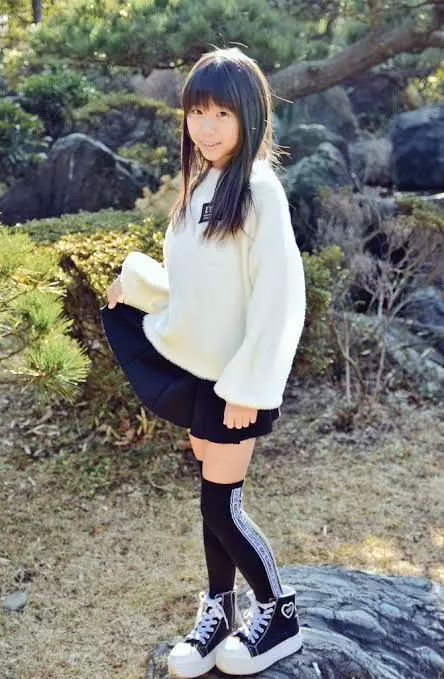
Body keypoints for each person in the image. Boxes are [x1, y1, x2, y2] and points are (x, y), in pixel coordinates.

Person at [102, 46, 307, 678]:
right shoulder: (201, 185)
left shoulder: (259, 190)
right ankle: (220, 608)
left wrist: (250, 386)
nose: (207, 127)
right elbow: (200, 289)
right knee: (210, 499)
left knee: (223, 506)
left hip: (236, 380)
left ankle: (279, 613)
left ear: (250, 116)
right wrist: (137, 285)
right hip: (203, 373)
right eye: (197, 112)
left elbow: (279, 295)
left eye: (222, 113)